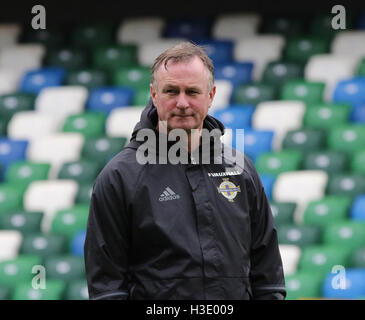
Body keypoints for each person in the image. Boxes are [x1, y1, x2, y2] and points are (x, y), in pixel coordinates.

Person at [84, 41, 286, 300]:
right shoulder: (119, 177)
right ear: (154, 95)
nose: (182, 102)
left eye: (192, 91)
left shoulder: (240, 170)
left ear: (210, 96)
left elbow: (267, 279)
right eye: (171, 91)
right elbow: (107, 290)